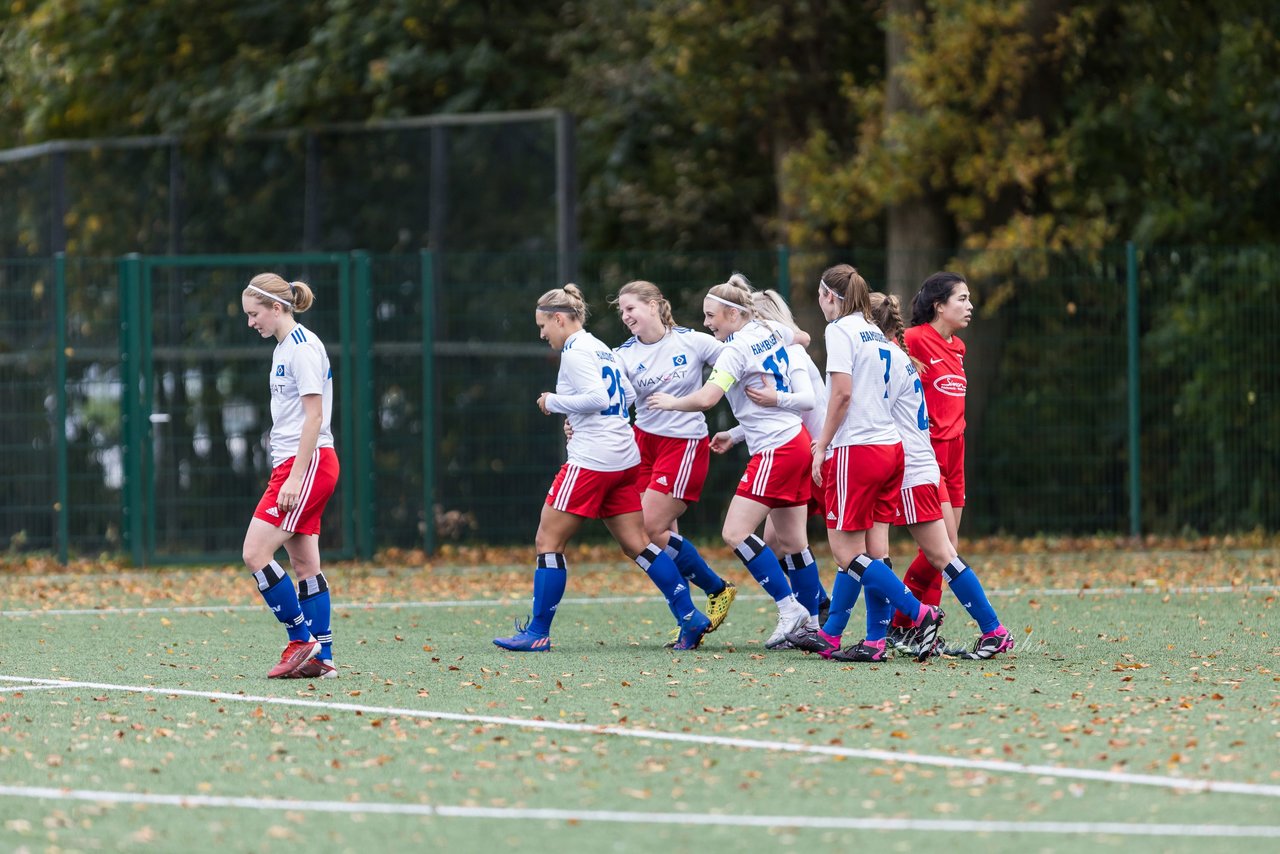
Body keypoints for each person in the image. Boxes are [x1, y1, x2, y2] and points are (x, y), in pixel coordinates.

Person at [494, 284, 713, 652]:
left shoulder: (576, 351)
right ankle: (689, 616)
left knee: (548, 542)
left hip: (593, 460)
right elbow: (625, 395)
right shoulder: (599, 347)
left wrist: (554, 402)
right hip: (624, 457)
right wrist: (582, 416)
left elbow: (597, 397)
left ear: (559, 319)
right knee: (638, 544)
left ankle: (537, 634)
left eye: (543, 325)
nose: (541, 333)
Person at [648, 273, 819, 649]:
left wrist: (672, 402)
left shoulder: (735, 349)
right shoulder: (769, 329)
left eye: (712, 316)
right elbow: (802, 337)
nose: (707, 323)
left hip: (776, 448)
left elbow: (708, 398)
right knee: (794, 542)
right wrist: (741, 428)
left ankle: (790, 610)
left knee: (735, 533)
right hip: (794, 440)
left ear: (731, 312)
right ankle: (813, 623)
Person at [785, 265, 944, 663]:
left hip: (857, 450)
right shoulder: (876, 333)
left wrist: (821, 446)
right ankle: (869, 641)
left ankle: (919, 614)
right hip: (891, 450)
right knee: (874, 552)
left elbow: (840, 395)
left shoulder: (839, 329)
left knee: (845, 555)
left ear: (830, 297)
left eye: (821, 297)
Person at [868, 292, 1013, 659]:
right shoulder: (904, 353)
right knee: (934, 552)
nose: (970, 305)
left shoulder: (885, 358)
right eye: (961, 298)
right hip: (924, 463)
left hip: (911, 466)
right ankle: (903, 629)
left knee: (883, 554)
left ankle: (895, 629)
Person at [611, 281, 738, 639]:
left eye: (631, 308)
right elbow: (606, 396)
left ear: (654, 306)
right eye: (622, 311)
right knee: (654, 539)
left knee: (646, 531)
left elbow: (737, 356)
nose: (625, 316)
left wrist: (781, 341)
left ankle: (716, 589)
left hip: (682, 445)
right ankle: (688, 620)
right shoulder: (622, 355)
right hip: (641, 446)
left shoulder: (691, 341)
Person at [240, 273, 340, 679]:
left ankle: (302, 639)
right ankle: (323, 657)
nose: (251, 323)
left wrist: (295, 478)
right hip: (298, 464)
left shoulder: (302, 349)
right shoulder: (284, 348)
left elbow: (314, 417)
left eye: (254, 314)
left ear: (276, 307)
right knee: (304, 565)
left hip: (307, 465)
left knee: (254, 552)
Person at [713, 288, 832, 627]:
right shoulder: (776, 344)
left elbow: (804, 402)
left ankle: (805, 611)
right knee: (785, 542)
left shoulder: (785, 350)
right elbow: (770, 411)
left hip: (817, 452)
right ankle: (810, 616)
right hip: (806, 447)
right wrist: (736, 435)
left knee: (853, 550)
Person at [887, 272, 974, 651]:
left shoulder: (959, 347)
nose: (969, 306)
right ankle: (913, 624)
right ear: (939, 305)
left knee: (940, 551)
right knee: (945, 549)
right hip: (928, 453)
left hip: (956, 453)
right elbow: (882, 365)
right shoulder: (915, 340)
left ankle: (907, 625)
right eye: (962, 299)